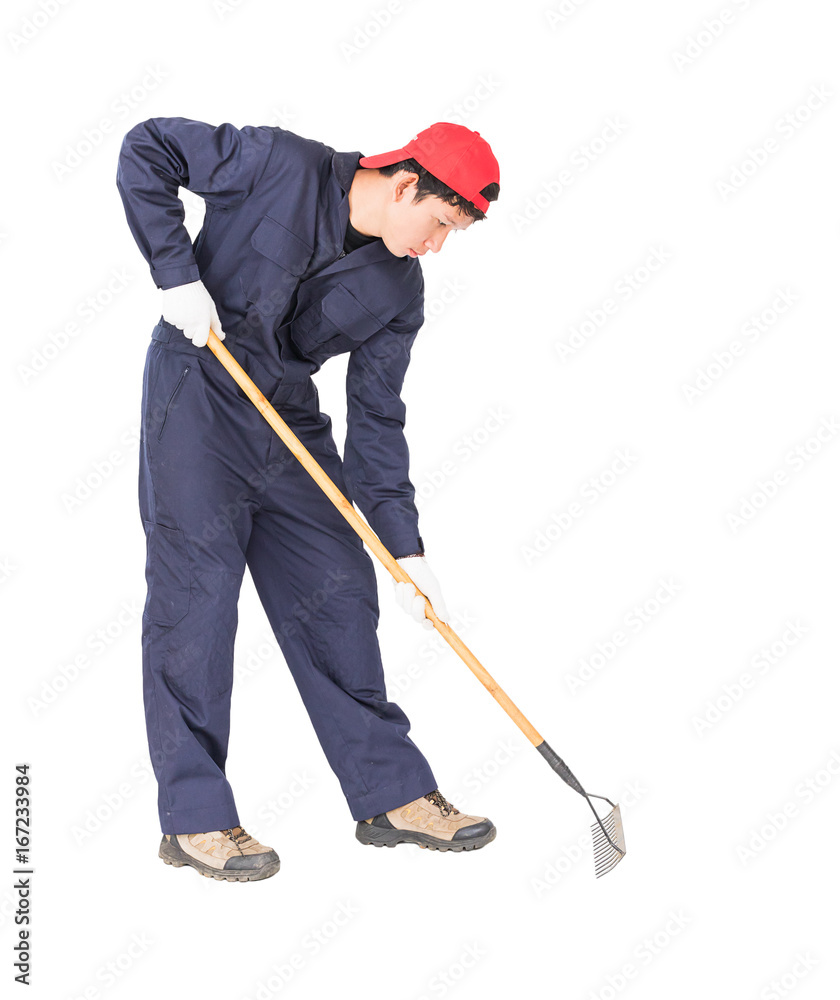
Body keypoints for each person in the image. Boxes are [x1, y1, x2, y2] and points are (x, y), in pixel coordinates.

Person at [116, 117, 501, 882]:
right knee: (197, 600)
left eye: (452, 235)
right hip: (198, 395)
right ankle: (196, 819)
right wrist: (176, 273)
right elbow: (148, 147)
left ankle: (392, 796)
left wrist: (406, 550)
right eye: (439, 224)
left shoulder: (399, 290)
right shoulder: (276, 163)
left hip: (287, 422)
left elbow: (378, 423)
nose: (436, 246)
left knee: (339, 592)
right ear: (405, 185)